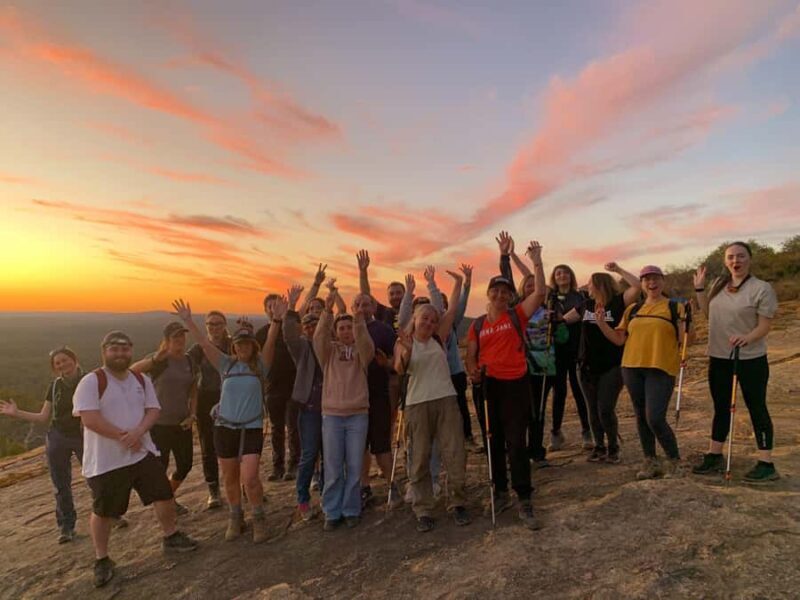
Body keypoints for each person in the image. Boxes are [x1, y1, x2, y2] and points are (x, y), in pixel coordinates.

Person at [72, 331, 197, 588]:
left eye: (124, 349)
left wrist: (138, 433)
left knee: (163, 493)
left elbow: (153, 409)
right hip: (107, 460)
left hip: (141, 452)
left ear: (131, 351)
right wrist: (123, 436)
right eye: (114, 349)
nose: (120, 354)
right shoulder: (91, 381)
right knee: (105, 510)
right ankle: (102, 559)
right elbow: (89, 418)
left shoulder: (140, 379)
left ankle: (171, 536)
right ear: (104, 351)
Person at [173, 299, 281, 543]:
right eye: (239, 343)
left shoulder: (260, 366)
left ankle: (259, 517)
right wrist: (188, 320)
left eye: (247, 343)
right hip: (225, 428)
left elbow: (272, 340)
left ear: (253, 346)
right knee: (230, 477)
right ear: (234, 346)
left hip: (251, 428)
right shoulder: (225, 364)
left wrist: (276, 320)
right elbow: (203, 342)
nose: (243, 346)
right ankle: (235, 516)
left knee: (250, 477)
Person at [466, 240, 546, 529]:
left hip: (515, 385)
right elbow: (471, 357)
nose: (500, 295)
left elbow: (539, 292)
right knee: (492, 441)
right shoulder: (477, 325)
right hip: (488, 387)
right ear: (488, 294)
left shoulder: (517, 315)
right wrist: (473, 372)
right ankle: (500, 491)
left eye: (505, 291)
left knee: (516, 442)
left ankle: (524, 496)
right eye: (495, 291)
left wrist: (537, 261)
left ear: (510, 296)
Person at [692, 242, 780, 482]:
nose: (735, 261)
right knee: (721, 407)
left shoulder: (761, 288)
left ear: (749, 259)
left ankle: (766, 462)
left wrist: (746, 338)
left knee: (756, 407)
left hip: (750, 358)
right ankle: (714, 455)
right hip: (719, 357)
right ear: (725, 261)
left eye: (740, 256)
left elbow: (764, 326)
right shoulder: (718, 285)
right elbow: (709, 314)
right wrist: (700, 290)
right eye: (730, 257)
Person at [594, 266, 693, 480]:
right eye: (646, 279)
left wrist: (686, 322)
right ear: (642, 284)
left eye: (655, 278)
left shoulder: (674, 307)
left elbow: (687, 341)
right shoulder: (633, 309)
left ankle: (675, 461)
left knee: (655, 417)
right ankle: (651, 461)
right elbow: (619, 339)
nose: (651, 283)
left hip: (661, 367)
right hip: (631, 367)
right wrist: (601, 324)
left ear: (662, 281)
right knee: (641, 416)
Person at [395, 269, 470, 532]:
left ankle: (457, 503)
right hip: (417, 404)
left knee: (454, 453)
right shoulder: (404, 341)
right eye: (424, 318)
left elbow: (451, 312)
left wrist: (459, 283)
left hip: (446, 399)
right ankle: (423, 508)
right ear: (414, 319)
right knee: (419, 458)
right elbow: (400, 369)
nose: (428, 322)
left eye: (432, 319)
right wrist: (404, 351)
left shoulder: (440, 336)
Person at [0, 347, 85, 543]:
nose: (62, 364)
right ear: (55, 368)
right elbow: (43, 417)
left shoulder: (89, 381)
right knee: (60, 484)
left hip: (84, 436)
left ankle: (108, 515)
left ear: (74, 359)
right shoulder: (54, 386)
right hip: (58, 437)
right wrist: (17, 412)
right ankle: (66, 527)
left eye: (65, 360)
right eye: (58, 363)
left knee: (95, 477)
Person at [313, 291, 375, 531]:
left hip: (358, 414)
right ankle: (331, 510)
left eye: (349, 327)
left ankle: (351, 509)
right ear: (336, 332)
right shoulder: (328, 353)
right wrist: (327, 313)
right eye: (342, 328)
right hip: (332, 416)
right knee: (333, 465)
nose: (346, 331)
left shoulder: (361, 353)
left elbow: (366, 344)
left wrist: (359, 320)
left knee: (355, 463)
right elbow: (318, 337)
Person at [496, 233, 553, 467]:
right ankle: (517, 451)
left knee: (537, 411)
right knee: (519, 411)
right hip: (519, 365)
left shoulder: (547, 304)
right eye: (527, 285)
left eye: (534, 285)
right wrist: (506, 256)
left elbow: (539, 285)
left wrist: (536, 262)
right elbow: (508, 278)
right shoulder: (517, 308)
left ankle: (537, 452)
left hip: (543, 364)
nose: (531, 287)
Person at [131, 322, 198, 515]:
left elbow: (194, 390)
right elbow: (133, 371)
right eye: (175, 337)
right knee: (161, 467)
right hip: (158, 424)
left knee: (185, 465)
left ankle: (168, 496)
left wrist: (192, 414)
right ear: (167, 340)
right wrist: (154, 359)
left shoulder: (189, 361)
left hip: (181, 423)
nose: (180, 340)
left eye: (182, 336)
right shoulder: (159, 359)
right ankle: (167, 503)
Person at [578, 267, 640, 464]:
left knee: (605, 407)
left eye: (590, 283)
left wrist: (618, 269)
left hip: (612, 365)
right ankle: (599, 447)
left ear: (599, 284)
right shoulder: (586, 305)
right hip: (586, 365)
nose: (587, 286)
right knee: (592, 409)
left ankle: (613, 447)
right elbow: (563, 318)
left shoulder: (618, 302)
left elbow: (637, 286)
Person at [280, 286, 325, 521]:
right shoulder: (302, 348)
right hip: (309, 409)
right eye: (306, 325)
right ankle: (303, 499)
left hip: (331, 409)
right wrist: (291, 308)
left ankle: (329, 496)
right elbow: (288, 334)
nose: (310, 327)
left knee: (330, 455)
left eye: (314, 323)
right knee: (309, 454)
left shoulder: (329, 345)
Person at [353, 292, 401, 509]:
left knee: (382, 445)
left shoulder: (384, 330)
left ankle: (392, 484)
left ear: (373, 307)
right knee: (361, 445)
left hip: (379, 393)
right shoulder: (347, 328)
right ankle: (364, 486)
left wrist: (387, 364)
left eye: (366, 304)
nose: (362, 308)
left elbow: (396, 360)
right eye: (358, 304)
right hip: (354, 396)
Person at [186, 310, 231, 509]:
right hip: (206, 398)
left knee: (234, 441)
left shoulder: (232, 345)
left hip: (230, 397)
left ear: (225, 325)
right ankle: (213, 489)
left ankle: (242, 484)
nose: (214, 328)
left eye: (218, 324)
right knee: (208, 445)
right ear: (206, 326)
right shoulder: (198, 349)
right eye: (211, 324)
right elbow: (185, 369)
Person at [547, 264, 592, 451]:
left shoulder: (581, 296)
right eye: (558, 273)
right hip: (555, 351)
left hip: (577, 350)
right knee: (559, 393)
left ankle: (587, 432)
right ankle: (556, 433)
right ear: (553, 278)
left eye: (565, 272)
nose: (562, 275)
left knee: (580, 390)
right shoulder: (549, 298)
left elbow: (588, 315)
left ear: (571, 275)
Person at [256, 294, 300, 482]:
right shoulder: (261, 333)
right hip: (272, 387)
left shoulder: (291, 330)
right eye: (270, 306)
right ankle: (277, 466)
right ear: (265, 310)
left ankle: (293, 465)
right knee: (276, 429)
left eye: (277, 305)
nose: (274, 309)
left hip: (294, 385)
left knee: (293, 427)